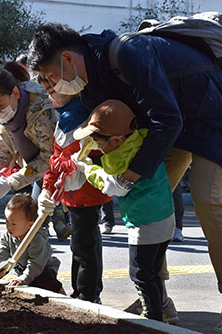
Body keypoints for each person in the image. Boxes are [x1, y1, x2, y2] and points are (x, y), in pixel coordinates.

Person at [27, 24, 222, 333]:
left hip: (211, 114)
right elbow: (98, 139)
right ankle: (157, 300)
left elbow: (166, 118)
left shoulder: (130, 52)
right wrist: (63, 179)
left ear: (67, 58)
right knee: (148, 203)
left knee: (206, 198)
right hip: (173, 125)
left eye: (50, 78)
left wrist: (129, 175)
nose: (51, 87)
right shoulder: (91, 88)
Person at [72, 99, 175, 321]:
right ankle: (161, 314)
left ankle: (153, 319)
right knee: (153, 271)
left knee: (139, 273)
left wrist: (86, 167)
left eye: (99, 143)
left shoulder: (121, 158)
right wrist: (89, 145)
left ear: (117, 141)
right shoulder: (141, 141)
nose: (97, 148)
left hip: (145, 222)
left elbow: (112, 186)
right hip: (166, 217)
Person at [0, 64, 68, 240]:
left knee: (44, 220)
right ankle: (39, 263)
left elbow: (48, 158)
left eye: (0, 106)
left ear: (15, 93)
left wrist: (9, 183)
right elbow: (0, 155)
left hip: (65, 165)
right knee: (35, 226)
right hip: (34, 167)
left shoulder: (42, 106)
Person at [36, 77, 110, 303]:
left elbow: (64, 158)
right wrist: (47, 188)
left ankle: (87, 295)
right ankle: (87, 291)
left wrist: (49, 187)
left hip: (83, 193)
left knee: (83, 247)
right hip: (77, 194)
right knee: (85, 243)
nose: (51, 95)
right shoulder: (69, 115)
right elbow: (57, 159)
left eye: (53, 89)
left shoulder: (77, 117)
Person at [0, 193, 64, 294]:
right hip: (23, 271)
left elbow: (35, 264)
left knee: (45, 281)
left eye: (13, 224)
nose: (9, 227)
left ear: (30, 225)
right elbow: (2, 251)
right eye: (7, 222)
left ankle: (62, 295)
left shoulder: (36, 239)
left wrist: (23, 279)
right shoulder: (8, 235)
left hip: (42, 269)